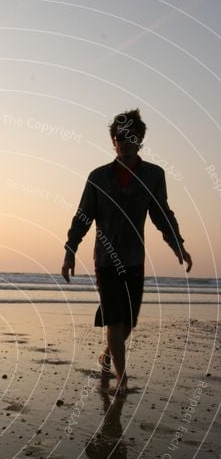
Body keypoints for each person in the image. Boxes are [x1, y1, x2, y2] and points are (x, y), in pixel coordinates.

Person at [61, 109, 193, 395]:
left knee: (128, 322)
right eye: (119, 137)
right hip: (106, 260)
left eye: (131, 137)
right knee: (114, 319)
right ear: (113, 140)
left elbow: (161, 214)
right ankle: (122, 379)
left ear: (139, 140)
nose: (124, 142)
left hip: (134, 259)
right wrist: (71, 249)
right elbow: (83, 216)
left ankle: (108, 354)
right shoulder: (98, 177)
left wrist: (178, 245)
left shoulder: (153, 175)